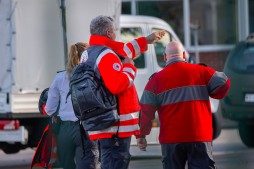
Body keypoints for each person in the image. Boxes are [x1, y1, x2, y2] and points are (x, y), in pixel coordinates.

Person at [81, 15, 165, 169]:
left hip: (101, 121)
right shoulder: (106, 54)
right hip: (115, 126)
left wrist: (145, 40)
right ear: (108, 33)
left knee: (108, 160)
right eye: (114, 31)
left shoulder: (89, 53)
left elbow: (123, 49)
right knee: (115, 162)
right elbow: (117, 85)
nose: (115, 34)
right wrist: (129, 67)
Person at [136, 41, 230, 169]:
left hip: (171, 140)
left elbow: (145, 110)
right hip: (199, 137)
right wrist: (214, 92)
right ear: (184, 55)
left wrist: (141, 135)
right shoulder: (202, 72)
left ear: (164, 57)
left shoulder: (155, 81)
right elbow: (224, 82)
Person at [45, 42, 100, 169]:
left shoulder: (60, 77)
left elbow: (49, 109)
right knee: (88, 165)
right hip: (87, 128)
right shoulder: (94, 76)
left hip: (65, 130)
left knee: (67, 165)